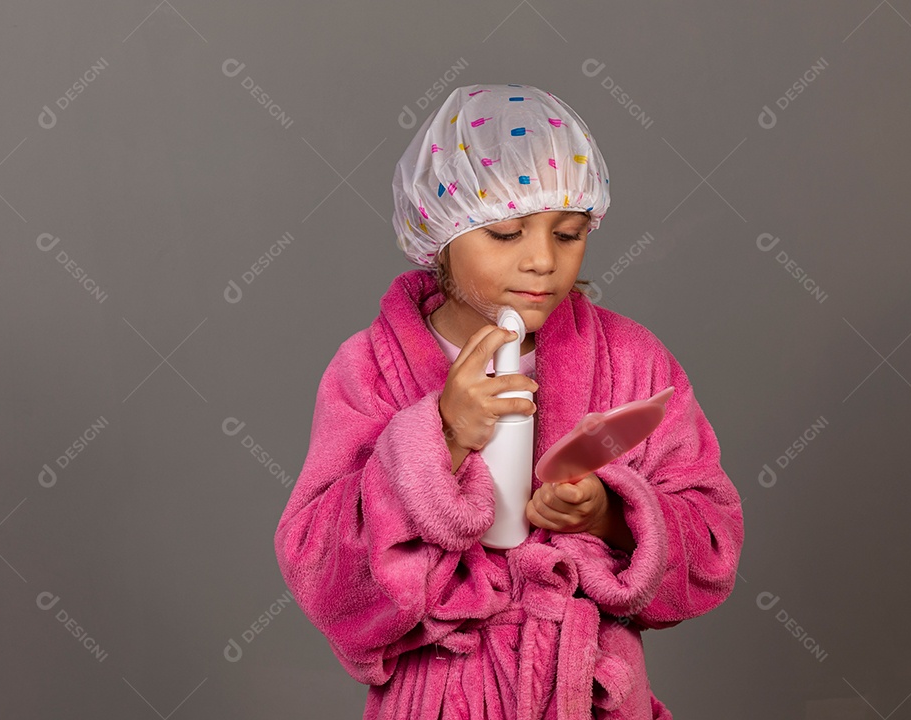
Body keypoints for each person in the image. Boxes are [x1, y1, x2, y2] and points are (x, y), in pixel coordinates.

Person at [273, 83, 744, 720]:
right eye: (504, 233)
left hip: (581, 694)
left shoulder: (631, 361)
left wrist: (609, 515)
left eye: (570, 234)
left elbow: (712, 550)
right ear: (438, 234)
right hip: (440, 701)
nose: (543, 261)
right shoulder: (371, 370)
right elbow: (324, 575)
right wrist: (439, 436)